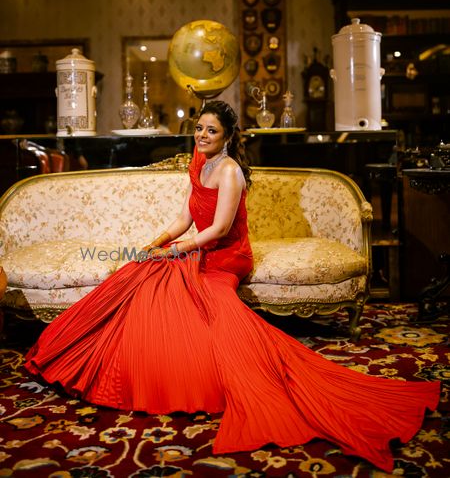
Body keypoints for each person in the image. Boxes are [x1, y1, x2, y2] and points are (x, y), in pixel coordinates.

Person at [25, 100, 440, 472]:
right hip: (196, 247)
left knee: (198, 299)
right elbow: (185, 216)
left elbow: (221, 228)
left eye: (211, 131)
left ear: (227, 137)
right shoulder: (197, 161)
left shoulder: (229, 171)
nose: (202, 136)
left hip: (226, 256)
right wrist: (158, 242)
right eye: (200, 128)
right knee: (141, 273)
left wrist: (179, 251)